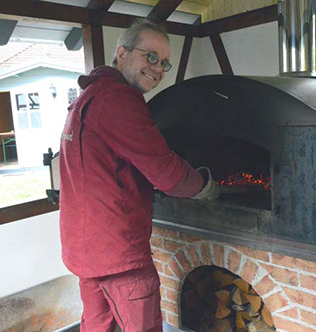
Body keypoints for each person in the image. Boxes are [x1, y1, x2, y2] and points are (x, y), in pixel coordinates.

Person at [59, 19, 218, 332]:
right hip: (120, 256)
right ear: (122, 54)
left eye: (165, 63)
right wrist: (205, 186)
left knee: (96, 326)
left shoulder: (87, 98)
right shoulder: (117, 100)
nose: (158, 68)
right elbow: (166, 173)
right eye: (151, 57)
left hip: (85, 251)